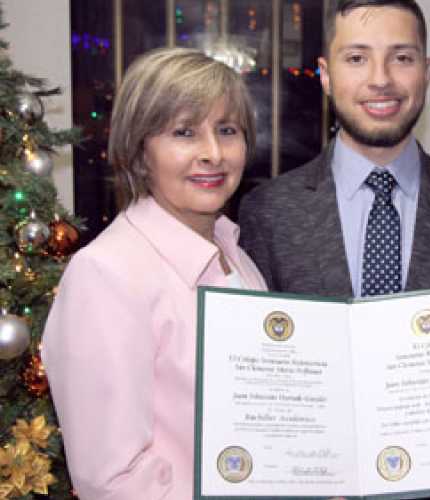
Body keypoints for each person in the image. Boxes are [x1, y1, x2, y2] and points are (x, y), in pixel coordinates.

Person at [42, 47, 266, 499]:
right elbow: (113, 481)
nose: (213, 153)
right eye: (184, 132)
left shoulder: (232, 250)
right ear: (140, 151)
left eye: (227, 130)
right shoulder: (105, 275)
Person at [239, 0, 430, 298]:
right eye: (356, 59)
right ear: (326, 75)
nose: (380, 79)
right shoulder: (268, 212)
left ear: (426, 72)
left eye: (402, 58)